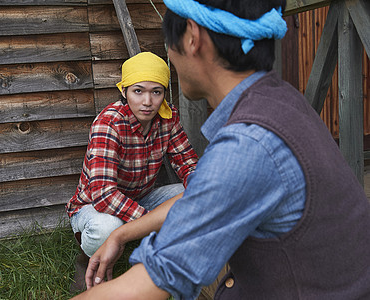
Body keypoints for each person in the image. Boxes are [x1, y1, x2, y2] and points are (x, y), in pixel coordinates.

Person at [72, 0, 370, 299]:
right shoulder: (282, 100)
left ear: (191, 37)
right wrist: (122, 233)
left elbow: (151, 281)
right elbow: (199, 195)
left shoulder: (246, 145)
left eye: (167, 44)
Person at [66, 51, 198, 291]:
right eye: (138, 91)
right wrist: (152, 221)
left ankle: (173, 256)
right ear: (124, 92)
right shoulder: (109, 124)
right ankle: (88, 259)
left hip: (139, 198)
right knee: (108, 227)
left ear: (164, 94)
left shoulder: (168, 118)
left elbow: (188, 164)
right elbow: (104, 195)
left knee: (193, 195)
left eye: (156, 92)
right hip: (93, 206)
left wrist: (201, 193)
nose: (147, 101)